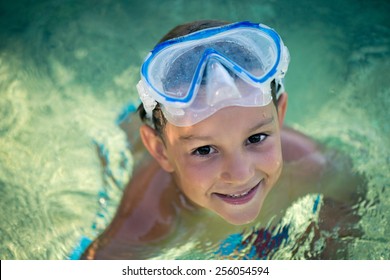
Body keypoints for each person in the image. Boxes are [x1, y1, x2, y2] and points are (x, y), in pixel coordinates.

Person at [81, 20, 363, 260]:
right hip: (143, 156)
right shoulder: (151, 218)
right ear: (161, 150)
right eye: (204, 149)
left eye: (256, 138)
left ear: (280, 115)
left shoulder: (314, 167)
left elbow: (351, 194)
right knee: (129, 143)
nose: (240, 174)